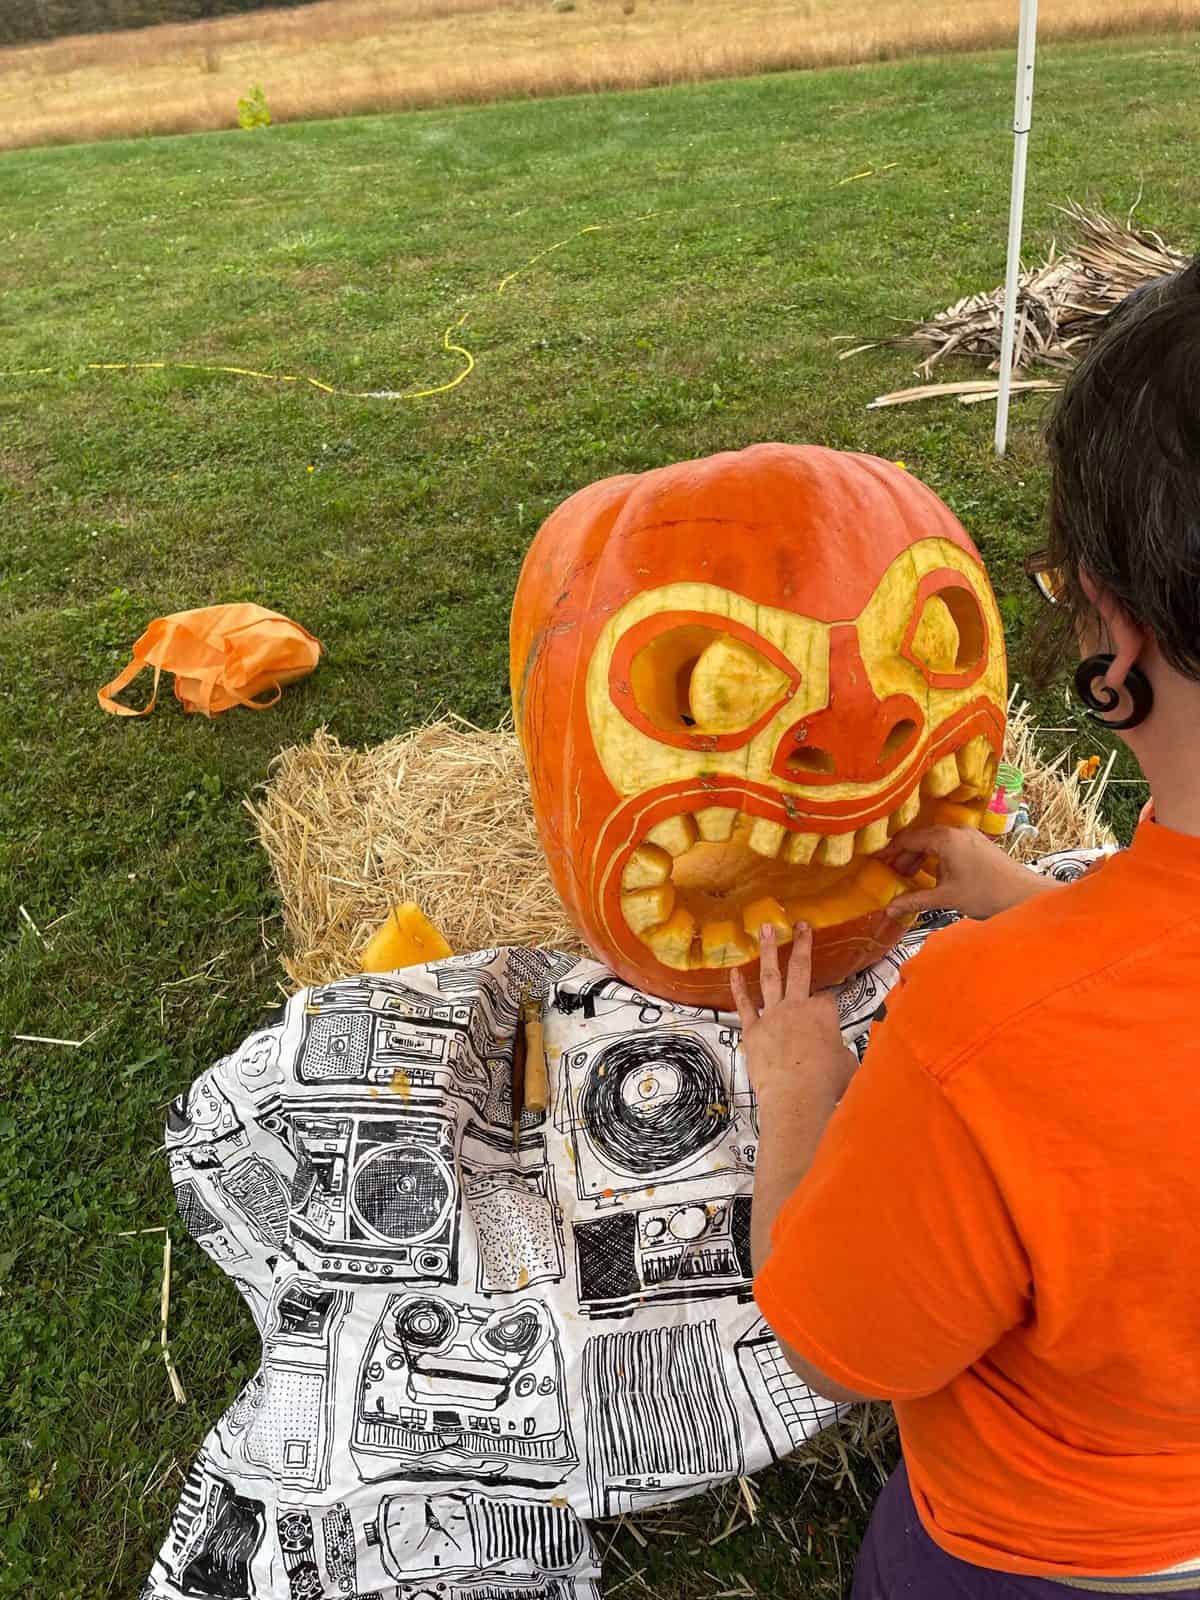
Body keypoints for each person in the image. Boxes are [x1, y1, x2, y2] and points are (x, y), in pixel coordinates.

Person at [731, 257, 1200, 1598]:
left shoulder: (980, 1031)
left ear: (1118, 628)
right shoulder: (1047, 999)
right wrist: (1039, 908)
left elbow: (833, 1346)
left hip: (1034, 1559)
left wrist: (803, 1080)